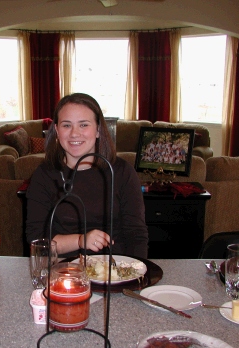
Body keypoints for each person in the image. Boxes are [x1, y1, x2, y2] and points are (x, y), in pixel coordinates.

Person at [25, 93, 148, 258]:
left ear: (98, 130)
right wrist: (80, 240)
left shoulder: (122, 172)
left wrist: (135, 275)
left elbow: (136, 235)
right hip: (64, 273)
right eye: (66, 125)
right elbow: (36, 239)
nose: (75, 133)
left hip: (114, 271)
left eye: (83, 125)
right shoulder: (44, 175)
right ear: (56, 130)